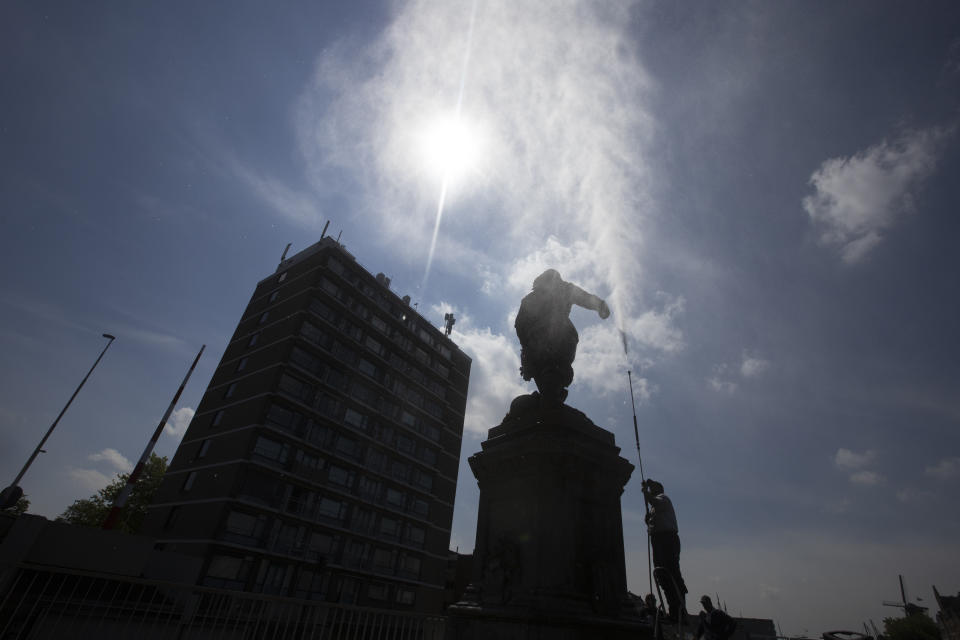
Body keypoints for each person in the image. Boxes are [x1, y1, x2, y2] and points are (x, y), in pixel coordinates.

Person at [514, 269, 609, 406]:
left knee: (549, 373)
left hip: (538, 344)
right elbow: (584, 298)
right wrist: (600, 305)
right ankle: (551, 399)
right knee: (554, 371)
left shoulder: (529, 299)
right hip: (559, 337)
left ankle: (550, 398)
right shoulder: (563, 288)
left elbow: (520, 326)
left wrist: (527, 349)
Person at [642, 479, 688, 621]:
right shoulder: (655, 507)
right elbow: (652, 521)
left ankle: (679, 609)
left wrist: (646, 491)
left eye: (653, 488)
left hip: (666, 539)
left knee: (671, 571)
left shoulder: (663, 498)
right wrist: (648, 519)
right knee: (663, 574)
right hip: (659, 539)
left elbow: (654, 501)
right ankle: (674, 609)